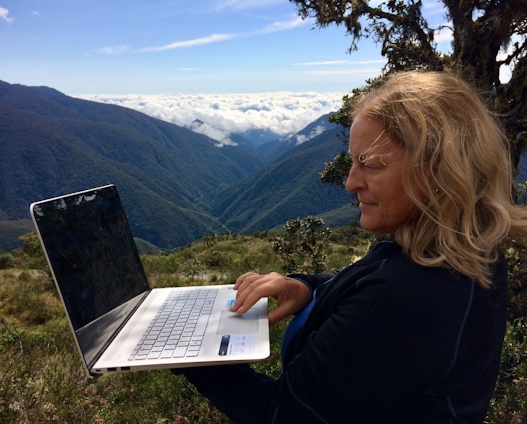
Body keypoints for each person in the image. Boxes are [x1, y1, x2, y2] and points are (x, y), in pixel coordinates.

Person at [174, 71, 527, 423]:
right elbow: (361, 280)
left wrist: (191, 352)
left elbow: (284, 415)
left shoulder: (411, 297)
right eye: (353, 161)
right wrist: (304, 286)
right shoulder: (461, 254)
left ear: (439, 172)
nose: (350, 183)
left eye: (370, 164)